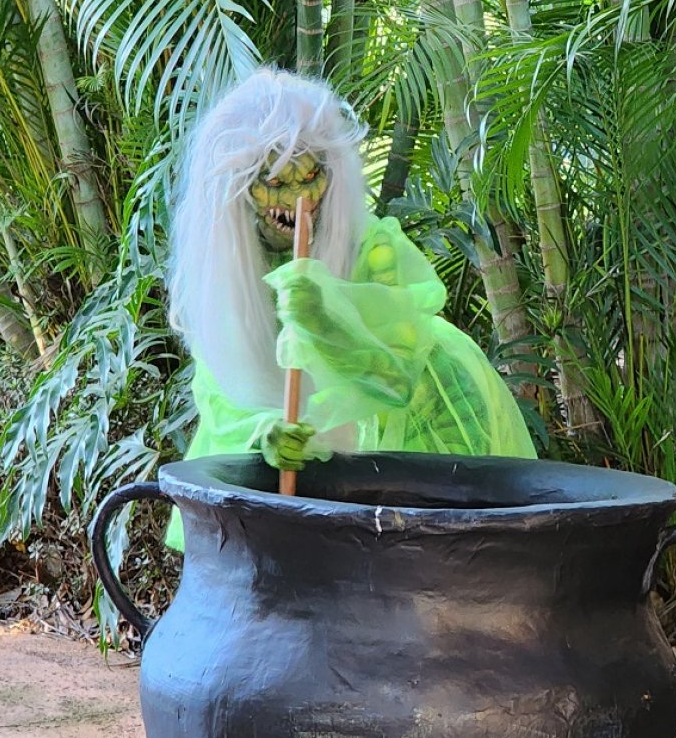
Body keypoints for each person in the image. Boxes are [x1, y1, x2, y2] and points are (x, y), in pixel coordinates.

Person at [163, 68, 535, 549]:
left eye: (312, 176)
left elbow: (394, 375)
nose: (299, 200)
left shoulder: (374, 249)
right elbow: (220, 389)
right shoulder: (226, 276)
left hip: (415, 434)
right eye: (274, 181)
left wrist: (327, 320)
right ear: (238, 189)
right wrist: (264, 434)